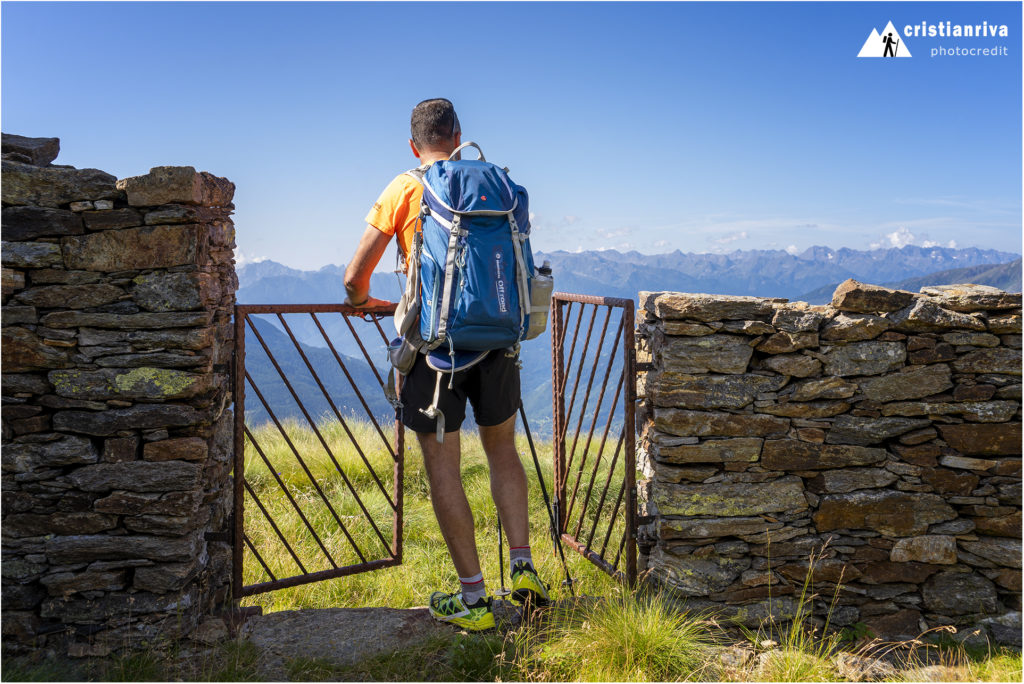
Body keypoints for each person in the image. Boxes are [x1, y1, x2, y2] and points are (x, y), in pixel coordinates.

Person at [343, 98, 548, 631]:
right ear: (459, 136)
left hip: (435, 352)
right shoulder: (496, 185)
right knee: (503, 452)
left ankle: (475, 600)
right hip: (500, 341)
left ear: (415, 145)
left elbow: (352, 280)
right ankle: (523, 567)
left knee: (444, 469)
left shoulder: (407, 187)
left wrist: (370, 305)